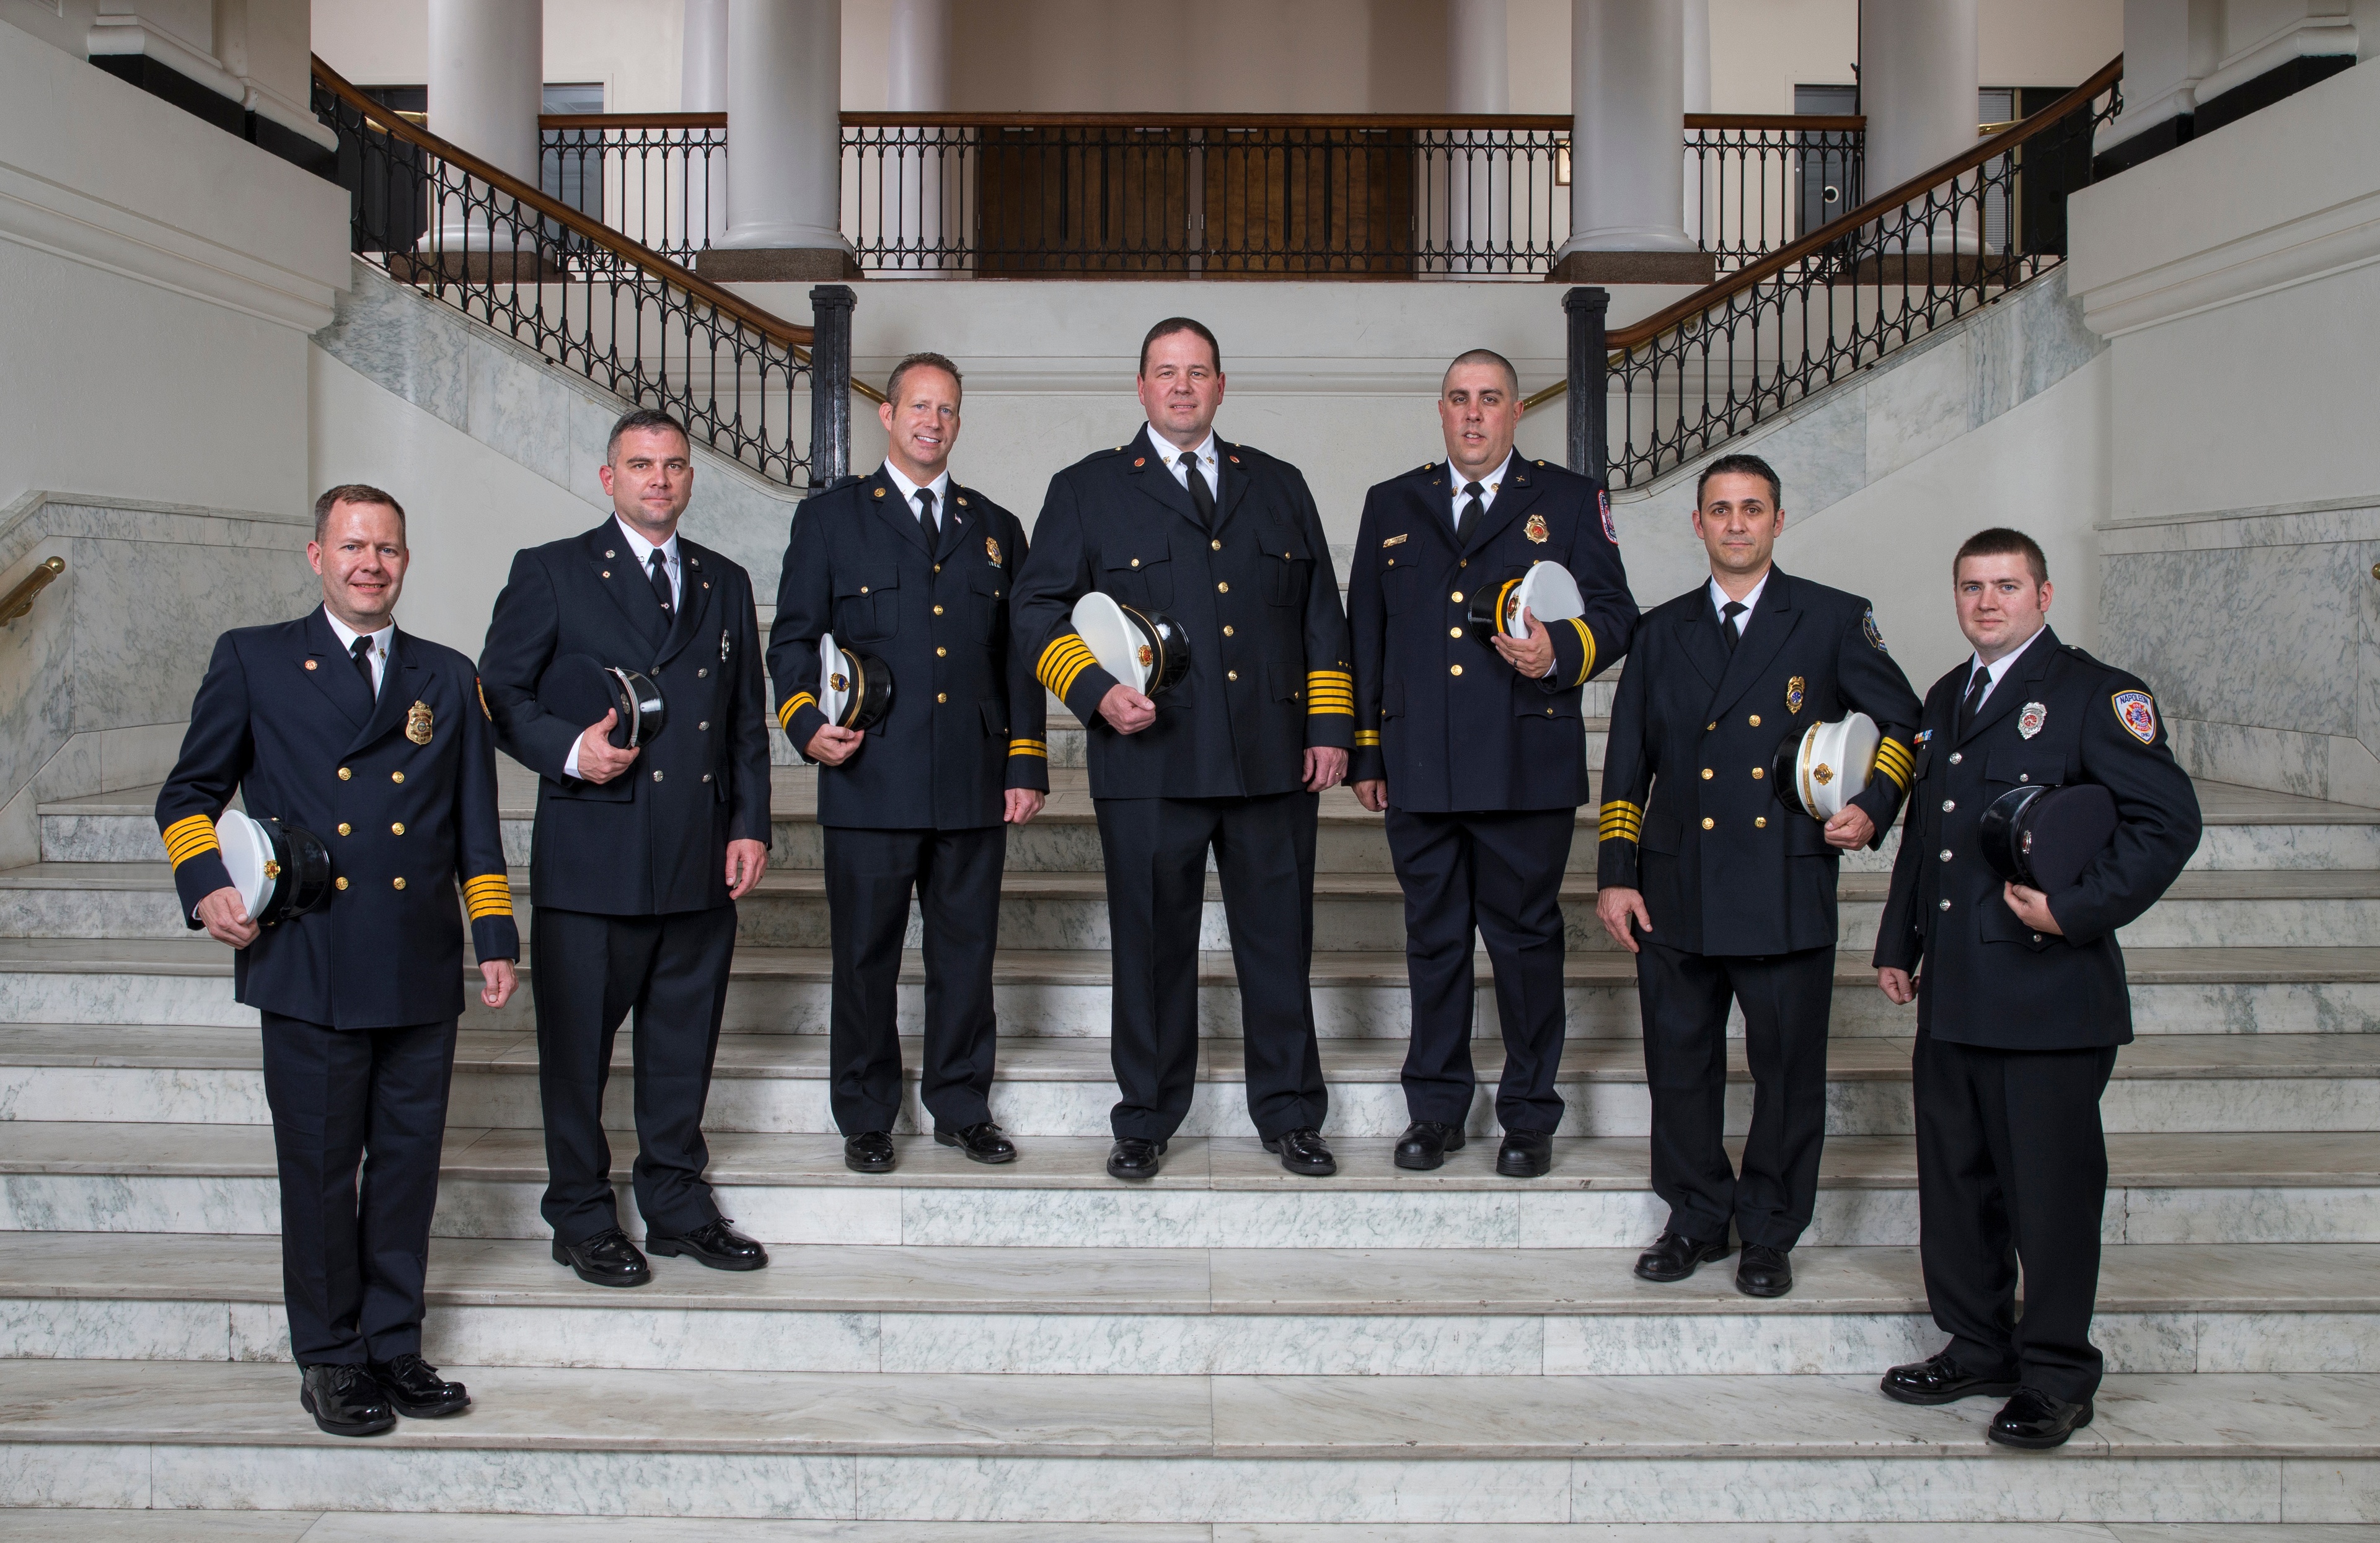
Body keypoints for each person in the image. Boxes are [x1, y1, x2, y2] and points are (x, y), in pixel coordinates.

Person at [156, 484, 516, 1437]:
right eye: (353, 546)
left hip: (416, 958)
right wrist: (208, 885)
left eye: (388, 548)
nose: (371, 562)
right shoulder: (256, 658)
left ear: (406, 561)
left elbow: (475, 824)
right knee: (319, 1169)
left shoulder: (447, 674)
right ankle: (329, 1356)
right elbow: (186, 796)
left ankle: (394, 1344)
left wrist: (493, 937)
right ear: (316, 556)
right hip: (310, 952)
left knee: (405, 1168)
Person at [1874, 527, 2200, 1449]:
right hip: (1959, 992)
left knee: (2050, 1195)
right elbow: (1926, 837)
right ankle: (1979, 1342)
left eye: (2007, 586)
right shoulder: (1945, 697)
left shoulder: (2098, 695)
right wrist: (1899, 941)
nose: (1987, 602)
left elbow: (2169, 820)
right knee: (1958, 1181)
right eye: (1972, 586)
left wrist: (2077, 907)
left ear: (2044, 597)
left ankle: (2057, 1373)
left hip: (2050, 995)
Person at [1011, 317, 1351, 1180]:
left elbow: (1320, 616)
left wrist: (1329, 727)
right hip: (1149, 758)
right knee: (1152, 945)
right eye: (1166, 372)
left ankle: (1290, 1114)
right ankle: (1147, 1117)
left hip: (1272, 761)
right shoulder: (1087, 489)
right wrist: (1092, 691)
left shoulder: (1278, 484)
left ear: (1221, 386)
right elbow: (1036, 612)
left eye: (1198, 372)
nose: (1182, 387)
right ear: (1141, 387)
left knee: (1279, 943)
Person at [1595, 452, 1921, 1298]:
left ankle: (1771, 1228)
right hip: (1677, 886)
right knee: (1681, 1064)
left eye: (1752, 508)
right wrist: (1617, 873)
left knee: (1786, 1070)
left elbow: (1902, 720)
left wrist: (1875, 806)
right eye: (1720, 509)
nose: (1736, 523)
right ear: (1697, 524)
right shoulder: (1660, 631)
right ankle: (1697, 1214)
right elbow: (1628, 762)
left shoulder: (1833, 618)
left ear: (1779, 521)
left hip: (1782, 879)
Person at [479, 407, 773, 1288]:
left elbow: (746, 721)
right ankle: (580, 1213)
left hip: (696, 858)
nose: (660, 479)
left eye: (675, 465)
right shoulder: (553, 571)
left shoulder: (724, 579)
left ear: (690, 479)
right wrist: (571, 750)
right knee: (576, 1057)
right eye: (641, 464)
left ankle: (677, 1205)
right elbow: (498, 692)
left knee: (683, 1048)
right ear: (608, 477)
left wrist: (751, 821)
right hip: (593, 860)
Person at [1345, 349, 1633, 1176]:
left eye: (1491, 399)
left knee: (1525, 943)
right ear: (1441, 410)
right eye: (1460, 399)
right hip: (1420, 767)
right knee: (1433, 942)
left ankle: (1529, 1114)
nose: (1474, 414)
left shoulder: (1570, 501)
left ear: (1515, 412)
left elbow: (1616, 615)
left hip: (1523, 767)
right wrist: (1367, 747)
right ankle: (1434, 1109)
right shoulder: (1392, 503)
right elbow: (1366, 632)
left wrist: (1560, 651)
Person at [768, 351, 1047, 1174]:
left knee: (966, 953)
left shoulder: (996, 528)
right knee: (866, 957)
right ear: (886, 416)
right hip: (868, 776)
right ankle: (866, 1113)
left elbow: (1019, 656)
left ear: (958, 423)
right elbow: (791, 641)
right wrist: (805, 723)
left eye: (948, 410)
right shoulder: (830, 520)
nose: (933, 421)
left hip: (970, 778)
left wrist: (1025, 762)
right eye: (919, 406)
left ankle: (961, 1104)